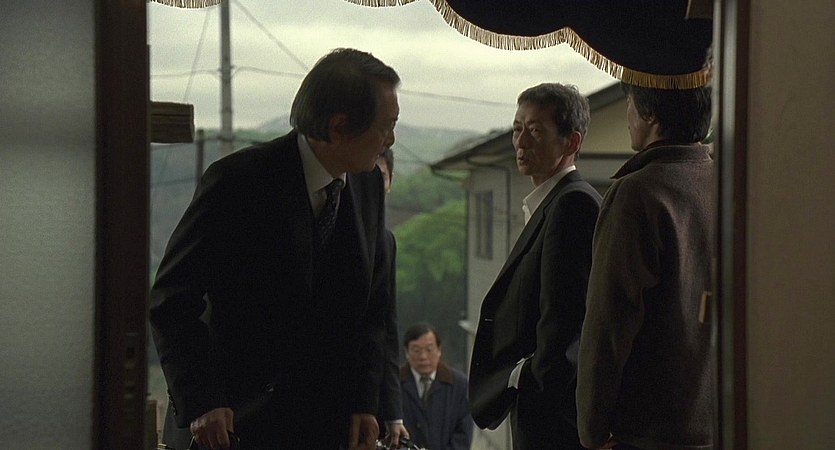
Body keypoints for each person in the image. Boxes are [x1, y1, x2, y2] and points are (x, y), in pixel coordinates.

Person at [149, 48, 400, 450]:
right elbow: (172, 299)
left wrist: (364, 402)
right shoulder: (238, 182)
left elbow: (372, 312)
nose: (391, 140)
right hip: (230, 425)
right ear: (339, 127)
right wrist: (203, 400)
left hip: (323, 429)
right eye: (386, 127)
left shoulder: (367, 186)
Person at [576, 82, 714, 450]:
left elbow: (609, 321)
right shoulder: (725, 180)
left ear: (650, 113)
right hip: (717, 424)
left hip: (650, 431)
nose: (628, 115)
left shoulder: (638, 192)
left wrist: (591, 428)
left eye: (630, 102)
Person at [468, 83, 602, 449]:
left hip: (551, 415)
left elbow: (565, 322)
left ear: (571, 142)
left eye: (536, 131)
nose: (521, 142)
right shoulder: (550, 202)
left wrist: (525, 379)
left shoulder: (573, 204)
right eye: (517, 129)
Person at [374, 148, 411, 449]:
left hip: (369, 399)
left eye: (379, 177)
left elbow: (387, 325)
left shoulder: (385, 241)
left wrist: (393, 412)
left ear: (390, 182)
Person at [400, 322, 473, 450]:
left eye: (429, 349)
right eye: (416, 350)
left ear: (439, 350)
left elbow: (463, 435)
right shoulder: (394, 384)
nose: (423, 357)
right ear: (406, 352)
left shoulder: (459, 384)